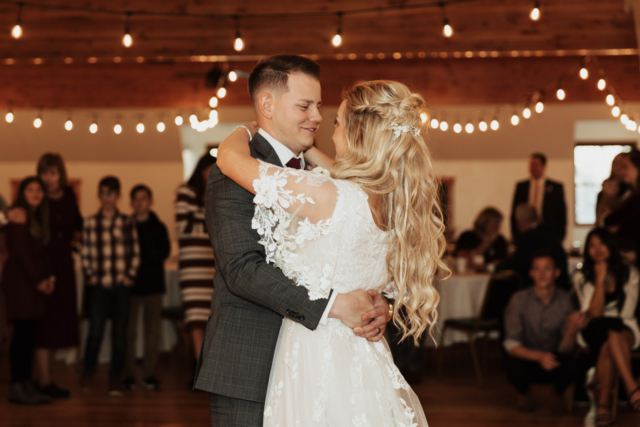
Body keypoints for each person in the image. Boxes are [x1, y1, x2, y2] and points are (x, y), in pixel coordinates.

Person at [214, 77, 447, 425]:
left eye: (336, 121)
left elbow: (229, 160)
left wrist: (245, 132)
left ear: (357, 133)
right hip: (364, 359)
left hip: (314, 356)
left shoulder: (330, 195)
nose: (327, 127)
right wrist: (302, 147)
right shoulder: (391, 203)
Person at [195, 55, 399, 426]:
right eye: (304, 105)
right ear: (267, 105)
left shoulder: (328, 174)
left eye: (319, 106)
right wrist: (334, 305)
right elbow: (241, 270)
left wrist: (374, 304)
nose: (317, 116)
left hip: (327, 369)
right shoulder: (234, 172)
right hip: (251, 366)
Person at [80, 176, 140, 397]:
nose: (108, 198)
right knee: (95, 332)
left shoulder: (127, 222)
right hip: (98, 287)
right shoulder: (89, 223)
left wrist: (129, 277)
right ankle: (88, 371)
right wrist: (91, 276)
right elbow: (85, 253)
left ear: (118, 196)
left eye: (112, 193)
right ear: (99, 195)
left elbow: (135, 253)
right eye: (104, 193)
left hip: (121, 287)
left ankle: (116, 375)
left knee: (119, 334)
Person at [574, 228, 640, 425]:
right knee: (606, 329)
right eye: (592, 245)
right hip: (593, 327)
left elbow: (626, 313)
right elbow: (592, 313)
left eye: (601, 243)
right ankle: (632, 388)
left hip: (624, 326)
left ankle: (603, 403)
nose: (597, 249)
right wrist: (600, 280)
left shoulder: (631, 273)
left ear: (611, 245)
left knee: (610, 338)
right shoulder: (581, 276)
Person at [503, 250, 582, 412]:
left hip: (555, 357)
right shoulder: (518, 299)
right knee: (511, 364)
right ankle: (522, 393)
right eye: (537, 269)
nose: (542, 274)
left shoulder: (566, 300)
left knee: (574, 363)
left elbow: (565, 349)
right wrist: (539, 356)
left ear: (557, 273)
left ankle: (558, 392)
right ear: (531, 273)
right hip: (527, 356)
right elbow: (511, 343)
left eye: (547, 269)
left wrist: (572, 331)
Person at [1, 177, 54, 405]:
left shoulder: (36, 216)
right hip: (21, 284)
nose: (36, 193)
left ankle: (25, 383)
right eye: (30, 189)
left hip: (30, 284)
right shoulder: (19, 214)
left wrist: (49, 277)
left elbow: (41, 253)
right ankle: (17, 386)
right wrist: (39, 281)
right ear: (22, 193)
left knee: (28, 336)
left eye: (39, 190)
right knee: (22, 337)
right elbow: (22, 253)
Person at [123, 185, 171, 391]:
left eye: (143, 198)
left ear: (150, 201)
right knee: (129, 331)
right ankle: (129, 375)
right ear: (131, 202)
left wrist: (142, 253)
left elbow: (164, 252)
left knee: (152, 331)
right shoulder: (125, 225)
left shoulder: (158, 226)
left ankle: (150, 374)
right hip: (130, 286)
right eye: (136, 199)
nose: (139, 203)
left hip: (153, 284)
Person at [175, 153, 216, 369]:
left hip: (212, 267)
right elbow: (184, 228)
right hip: (192, 268)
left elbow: (219, 229)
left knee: (211, 319)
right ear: (201, 169)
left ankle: (206, 369)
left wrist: (199, 219)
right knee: (195, 320)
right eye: (210, 168)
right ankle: (198, 369)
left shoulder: (217, 193)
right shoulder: (185, 191)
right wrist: (207, 224)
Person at [499, 203, 569, 289]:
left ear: (518, 222)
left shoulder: (529, 237)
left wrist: (495, 267)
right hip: (561, 285)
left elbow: (516, 265)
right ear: (537, 217)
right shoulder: (549, 232)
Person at [510, 153, 567, 243]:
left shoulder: (555, 187)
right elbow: (514, 211)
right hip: (526, 231)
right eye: (531, 164)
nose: (532, 167)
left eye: (535, 164)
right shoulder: (521, 187)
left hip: (549, 233)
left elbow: (561, 213)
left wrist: (559, 237)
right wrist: (516, 236)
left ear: (543, 166)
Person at [604, 149, 640, 268]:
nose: (622, 171)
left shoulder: (636, 197)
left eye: (626, 167)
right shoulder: (630, 194)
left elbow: (610, 219)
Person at [596, 153, 630, 226]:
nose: (617, 167)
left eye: (621, 163)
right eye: (615, 163)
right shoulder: (603, 191)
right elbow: (599, 217)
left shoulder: (630, 191)